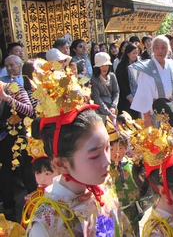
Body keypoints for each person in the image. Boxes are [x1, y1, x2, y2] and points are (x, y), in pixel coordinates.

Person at [24, 66, 133, 236]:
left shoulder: (101, 191)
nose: (108, 161)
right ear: (61, 164)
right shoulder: (48, 225)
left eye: (107, 148)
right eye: (95, 155)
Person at [0, 80, 35, 221]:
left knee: (28, 174)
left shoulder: (13, 88)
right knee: (5, 175)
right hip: (3, 144)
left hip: (19, 140)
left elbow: (29, 110)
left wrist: (6, 98)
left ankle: (36, 205)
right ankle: (9, 210)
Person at [130, 35, 173, 127]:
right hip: (154, 114)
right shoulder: (147, 69)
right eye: (157, 47)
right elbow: (144, 96)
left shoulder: (172, 65)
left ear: (168, 49)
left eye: (163, 47)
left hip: (171, 111)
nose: (160, 51)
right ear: (152, 49)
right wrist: (147, 119)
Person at [106, 119, 140, 235]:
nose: (117, 153)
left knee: (134, 231)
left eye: (120, 148)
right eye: (111, 149)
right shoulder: (104, 170)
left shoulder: (131, 164)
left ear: (126, 147)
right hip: (114, 208)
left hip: (131, 206)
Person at [91, 52, 120, 124]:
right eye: (102, 66)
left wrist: (113, 106)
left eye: (107, 65)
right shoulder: (94, 79)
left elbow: (116, 92)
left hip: (112, 109)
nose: (105, 68)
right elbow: (97, 98)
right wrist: (108, 112)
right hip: (101, 111)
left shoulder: (112, 76)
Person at [115, 43, 139, 119]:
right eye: (133, 53)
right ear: (128, 53)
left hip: (137, 96)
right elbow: (121, 83)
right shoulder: (121, 66)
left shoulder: (137, 64)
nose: (135, 55)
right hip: (126, 98)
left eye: (136, 53)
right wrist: (129, 96)